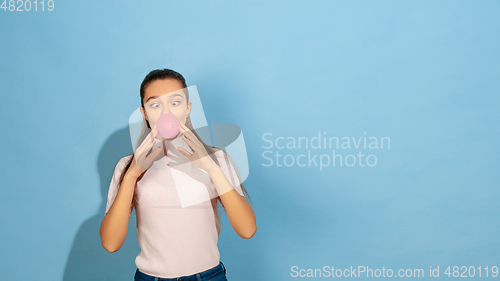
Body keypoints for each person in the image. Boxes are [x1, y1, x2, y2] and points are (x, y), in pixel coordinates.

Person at [99, 69, 257, 281]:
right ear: (144, 112)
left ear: (188, 108)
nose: (166, 113)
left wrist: (211, 168)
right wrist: (132, 175)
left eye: (175, 102)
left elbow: (247, 230)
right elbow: (110, 243)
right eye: (155, 104)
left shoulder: (216, 159)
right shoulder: (127, 166)